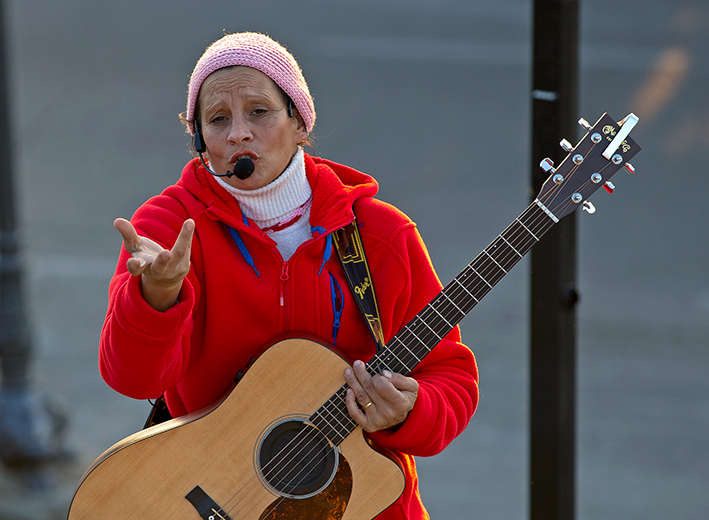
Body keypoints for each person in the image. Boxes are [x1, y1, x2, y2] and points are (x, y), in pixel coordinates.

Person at [99, 32, 478, 519]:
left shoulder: (382, 233)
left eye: (259, 111)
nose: (239, 133)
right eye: (218, 120)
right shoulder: (169, 229)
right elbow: (130, 377)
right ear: (200, 143)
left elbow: (451, 379)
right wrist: (155, 298)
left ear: (300, 122)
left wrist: (411, 411)